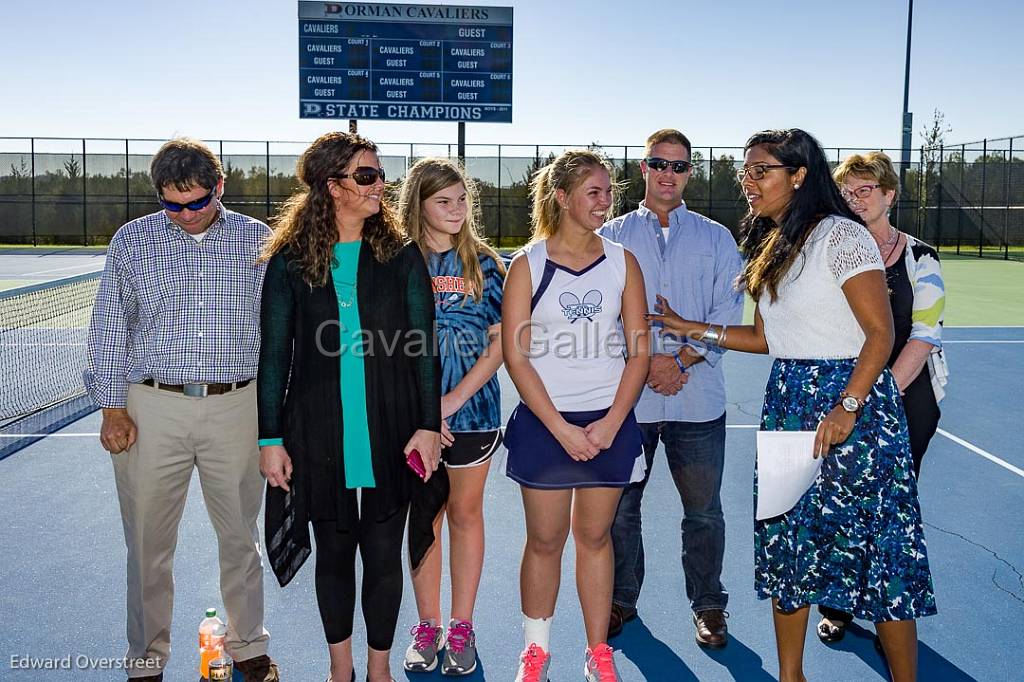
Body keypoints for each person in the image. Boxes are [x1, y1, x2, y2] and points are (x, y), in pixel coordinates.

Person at [648, 129, 936, 682]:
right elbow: (767, 338)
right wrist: (693, 329)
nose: (749, 182)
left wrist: (848, 406)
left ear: (798, 175)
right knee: (789, 546)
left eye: (762, 171)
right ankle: (790, 676)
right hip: (789, 405)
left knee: (881, 555)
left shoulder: (841, 236)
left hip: (855, 409)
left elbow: (880, 334)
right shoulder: (773, 243)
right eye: (746, 172)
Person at [85, 138, 279, 682]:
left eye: (197, 202)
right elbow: (108, 327)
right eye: (173, 204)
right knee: (147, 545)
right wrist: (111, 406)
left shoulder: (255, 240)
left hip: (236, 405)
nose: (186, 215)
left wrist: (275, 416)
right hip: (152, 406)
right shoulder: (133, 240)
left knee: (241, 537)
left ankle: (247, 649)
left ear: (219, 187)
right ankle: (146, 660)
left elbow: (274, 331)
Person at [257, 132, 443, 682]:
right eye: (366, 176)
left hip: (391, 430)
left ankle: (378, 670)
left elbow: (423, 347)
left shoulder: (402, 256)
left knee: (384, 556)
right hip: (318, 431)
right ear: (332, 187)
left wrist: (428, 426)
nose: (378, 185)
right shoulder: (290, 262)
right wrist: (271, 439)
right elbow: (274, 356)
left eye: (379, 174)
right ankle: (341, 671)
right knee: (334, 556)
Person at [502, 150, 650, 682]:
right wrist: (560, 428)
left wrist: (610, 423)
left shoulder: (622, 262)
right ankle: (536, 650)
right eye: (594, 191)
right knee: (544, 540)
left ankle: (597, 652)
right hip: (547, 423)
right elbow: (516, 356)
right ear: (562, 198)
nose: (606, 200)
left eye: (609, 191)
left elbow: (639, 351)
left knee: (594, 538)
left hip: (607, 422)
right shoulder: (528, 264)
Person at [598, 128, 744, 647]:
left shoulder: (717, 237)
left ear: (689, 173)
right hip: (628, 405)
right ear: (643, 168)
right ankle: (620, 600)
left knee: (703, 513)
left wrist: (679, 358)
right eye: (659, 163)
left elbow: (729, 314)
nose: (668, 173)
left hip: (697, 399)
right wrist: (648, 364)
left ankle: (708, 604)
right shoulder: (609, 237)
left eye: (679, 166)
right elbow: (600, 317)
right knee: (620, 512)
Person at [813, 151, 947, 644]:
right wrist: (851, 396)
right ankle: (839, 604)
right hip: (844, 396)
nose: (855, 199)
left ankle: (888, 604)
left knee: (891, 508)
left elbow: (924, 333)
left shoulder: (921, 257)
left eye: (865, 190)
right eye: (847, 191)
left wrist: (875, 394)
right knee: (838, 503)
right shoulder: (834, 252)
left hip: (904, 398)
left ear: (889, 195)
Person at [397, 158, 506, 676]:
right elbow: (384, 349)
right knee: (426, 518)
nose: (457, 210)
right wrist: (421, 411)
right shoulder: (397, 262)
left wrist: (451, 401)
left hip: (473, 414)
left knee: (465, 515)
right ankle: (428, 624)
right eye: (444, 201)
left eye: (463, 199)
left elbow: (500, 343)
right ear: (418, 205)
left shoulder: (485, 264)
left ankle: (461, 625)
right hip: (412, 421)